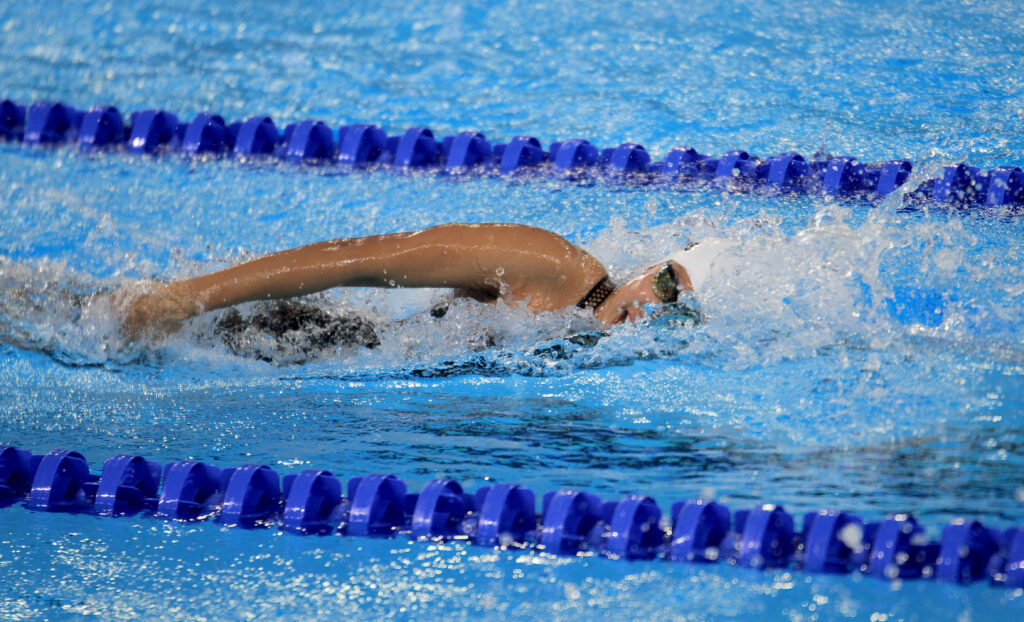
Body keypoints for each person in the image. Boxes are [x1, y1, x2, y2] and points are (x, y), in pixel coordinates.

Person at [117, 223, 731, 341]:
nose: (654, 308)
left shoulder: (599, 352)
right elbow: (358, 258)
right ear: (653, 267)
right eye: (669, 284)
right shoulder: (553, 265)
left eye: (680, 312)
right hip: (287, 342)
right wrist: (187, 298)